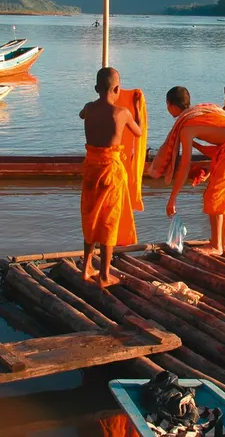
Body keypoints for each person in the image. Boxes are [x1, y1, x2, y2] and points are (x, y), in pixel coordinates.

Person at [149, 86, 225, 256]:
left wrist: (173, 199)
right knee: (222, 195)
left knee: (214, 195)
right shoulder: (197, 114)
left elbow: (184, 166)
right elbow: (219, 137)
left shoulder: (186, 127)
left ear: (170, 104)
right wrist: (208, 167)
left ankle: (216, 245)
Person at [79, 67, 143, 287]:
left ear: (96, 88)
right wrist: (136, 108)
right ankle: (105, 275)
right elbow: (139, 132)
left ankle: (86, 267)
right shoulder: (122, 113)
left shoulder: (88, 108)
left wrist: (97, 102)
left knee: (90, 217)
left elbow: (82, 114)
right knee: (108, 220)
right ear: (117, 88)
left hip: (90, 170)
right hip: (110, 172)